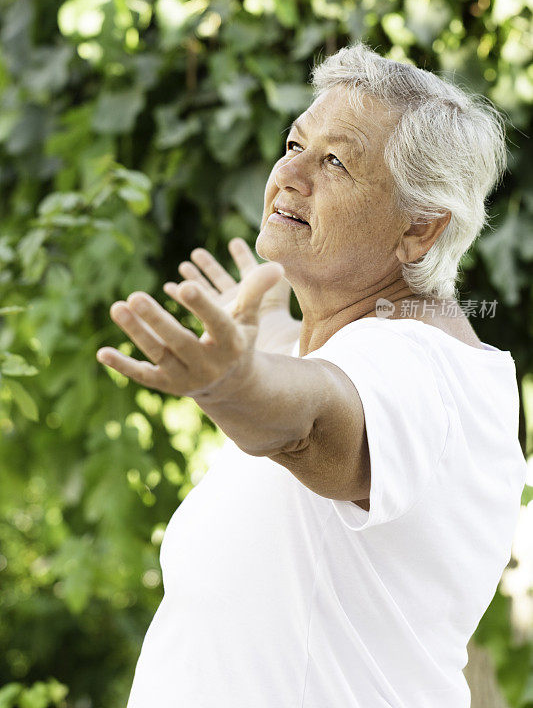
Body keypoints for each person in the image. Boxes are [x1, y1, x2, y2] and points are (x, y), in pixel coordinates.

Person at [96, 42, 527, 708]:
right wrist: (261, 340)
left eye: (333, 162)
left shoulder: (424, 369)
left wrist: (232, 386)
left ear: (419, 228)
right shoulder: (357, 343)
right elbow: (309, 376)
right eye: (294, 144)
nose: (288, 175)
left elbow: (311, 425)